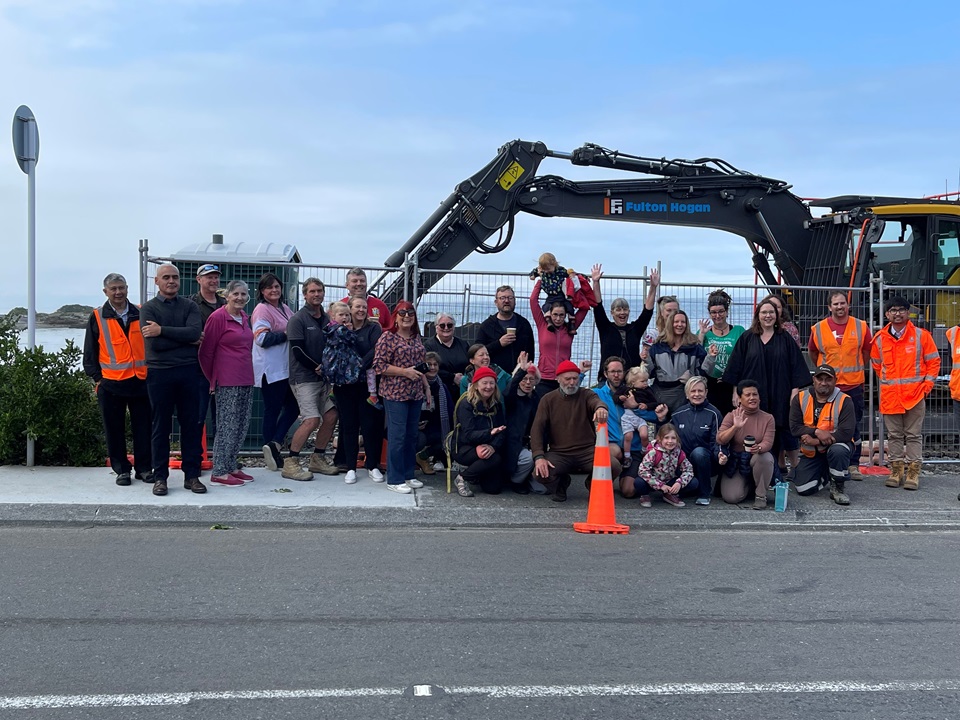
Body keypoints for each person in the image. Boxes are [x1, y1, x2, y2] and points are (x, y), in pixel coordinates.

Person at [139, 263, 206, 496]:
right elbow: (155, 345)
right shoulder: (148, 309)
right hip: (160, 373)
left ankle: (192, 476)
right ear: (156, 282)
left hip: (189, 372)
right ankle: (160, 478)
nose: (171, 281)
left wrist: (163, 330)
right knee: (160, 427)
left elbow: (194, 333)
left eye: (175, 277)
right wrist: (184, 338)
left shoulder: (190, 306)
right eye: (166, 277)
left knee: (191, 425)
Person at [722, 298, 811, 471]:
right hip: (753, 394)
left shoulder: (785, 338)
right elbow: (736, 366)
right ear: (758, 315)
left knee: (778, 427)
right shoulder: (747, 338)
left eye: (771, 312)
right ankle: (749, 468)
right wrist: (735, 392)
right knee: (754, 427)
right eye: (764, 312)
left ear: (777, 315)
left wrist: (794, 392)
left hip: (780, 392)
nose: (768, 316)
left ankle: (776, 469)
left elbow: (796, 367)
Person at [82, 272, 152, 486]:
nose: (118, 292)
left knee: (144, 428)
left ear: (127, 288)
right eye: (113, 289)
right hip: (111, 383)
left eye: (121, 287)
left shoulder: (140, 312)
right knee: (114, 429)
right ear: (106, 292)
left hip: (140, 381)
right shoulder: (97, 316)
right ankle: (121, 470)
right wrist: (97, 378)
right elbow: (90, 352)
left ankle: (144, 469)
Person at [871, 295, 940, 490]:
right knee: (894, 435)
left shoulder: (921, 336)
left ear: (908, 312)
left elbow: (933, 362)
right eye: (893, 310)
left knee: (913, 435)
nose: (897, 313)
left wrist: (926, 386)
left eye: (901, 310)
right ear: (887, 314)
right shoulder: (880, 340)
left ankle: (913, 472)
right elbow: (877, 365)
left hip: (915, 395)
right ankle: (896, 470)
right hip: (891, 396)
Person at [530, 360, 616, 502]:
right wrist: (539, 457)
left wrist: (601, 408)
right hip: (560, 452)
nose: (572, 382)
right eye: (567, 379)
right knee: (540, 472)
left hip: (587, 451)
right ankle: (560, 485)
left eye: (575, 378)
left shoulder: (587, 394)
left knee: (613, 466)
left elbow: (597, 402)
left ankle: (593, 485)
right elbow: (537, 429)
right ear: (558, 379)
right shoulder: (547, 400)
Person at [808, 290, 871, 481]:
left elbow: (867, 351)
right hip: (828, 388)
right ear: (829, 307)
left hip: (853, 386)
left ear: (848, 305)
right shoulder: (818, 328)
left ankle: (853, 465)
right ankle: (828, 462)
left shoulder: (860, 326)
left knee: (853, 427)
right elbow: (813, 353)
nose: (840, 307)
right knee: (825, 424)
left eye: (843, 303)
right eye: (835, 304)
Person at [198, 280, 255, 487]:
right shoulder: (218, 318)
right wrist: (213, 378)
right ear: (227, 295)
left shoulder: (244, 318)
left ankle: (231, 464)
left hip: (246, 377)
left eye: (243, 294)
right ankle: (219, 471)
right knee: (227, 425)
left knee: (241, 424)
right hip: (227, 380)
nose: (240, 298)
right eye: (236, 294)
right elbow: (206, 352)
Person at [284, 278, 340, 481]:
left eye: (320, 291)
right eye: (312, 291)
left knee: (332, 415)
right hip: (304, 378)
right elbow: (297, 350)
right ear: (305, 294)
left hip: (323, 379)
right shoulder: (297, 320)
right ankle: (291, 462)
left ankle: (317, 458)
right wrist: (316, 367)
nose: (317, 294)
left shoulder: (326, 319)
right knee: (311, 420)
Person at [373, 301, 430, 494]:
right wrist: (404, 372)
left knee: (411, 435)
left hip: (415, 393)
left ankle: (408, 474)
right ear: (395, 316)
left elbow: (421, 365)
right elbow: (379, 366)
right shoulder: (387, 337)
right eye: (403, 313)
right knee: (397, 436)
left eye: (411, 313)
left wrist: (426, 386)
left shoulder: (416, 338)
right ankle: (395, 478)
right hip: (395, 393)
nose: (407, 316)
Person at [333, 295, 385, 484]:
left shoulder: (373, 328)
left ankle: (373, 465)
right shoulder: (340, 328)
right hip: (345, 386)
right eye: (357, 307)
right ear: (350, 309)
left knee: (370, 425)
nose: (361, 310)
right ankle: (351, 467)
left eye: (364, 307)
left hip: (367, 385)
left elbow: (376, 350)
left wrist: (357, 366)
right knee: (349, 426)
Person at [252, 272, 300, 474]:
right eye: (269, 287)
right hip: (271, 369)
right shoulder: (262, 310)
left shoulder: (284, 308)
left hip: (285, 368)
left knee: (294, 407)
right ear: (262, 291)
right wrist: (285, 335)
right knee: (273, 410)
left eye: (277, 286)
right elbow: (261, 339)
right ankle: (271, 450)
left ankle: (274, 445)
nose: (274, 290)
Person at [788, 364, 855, 505]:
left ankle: (838, 487)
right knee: (803, 489)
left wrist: (816, 441)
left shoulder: (845, 400)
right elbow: (794, 428)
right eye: (820, 379)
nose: (823, 383)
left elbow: (846, 433)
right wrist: (816, 432)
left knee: (838, 450)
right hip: (812, 453)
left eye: (828, 379)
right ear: (814, 380)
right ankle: (827, 473)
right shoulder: (800, 398)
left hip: (836, 447)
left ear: (835, 381)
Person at [590, 264, 659, 383]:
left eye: (625, 309)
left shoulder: (635, 329)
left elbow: (647, 311)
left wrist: (653, 287)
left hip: (632, 379)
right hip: (608, 379)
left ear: (629, 311)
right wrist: (596, 283)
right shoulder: (606, 328)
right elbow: (598, 306)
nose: (622, 312)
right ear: (612, 312)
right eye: (618, 310)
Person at [716, 380, 776, 508]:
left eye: (755, 394)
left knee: (765, 457)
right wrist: (735, 427)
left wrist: (759, 448)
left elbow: (768, 442)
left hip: (756, 458)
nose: (752, 398)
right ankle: (748, 485)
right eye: (747, 395)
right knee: (731, 497)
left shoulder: (768, 418)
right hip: (737, 461)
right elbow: (720, 439)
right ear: (739, 398)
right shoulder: (731, 416)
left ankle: (760, 495)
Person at [450, 366, 508, 496]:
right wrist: (490, 432)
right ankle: (463, 478)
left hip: (488, 446)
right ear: (476, 385)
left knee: (494, 489)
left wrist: (493, 446)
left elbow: (502, 429)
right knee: (494, 458)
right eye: (484, 383)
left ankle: (477, 474)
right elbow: (468, 434)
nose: (488, 386)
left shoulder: (496, 404)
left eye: (491, 383)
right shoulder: (466, 404)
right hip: (464, 446)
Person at [645, 309, 716, 413]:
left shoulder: (694, 347)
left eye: (683, 322)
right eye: (676, 321)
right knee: (663, 428)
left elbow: (704, 372)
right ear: (670, 324)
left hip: (684, 396)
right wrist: (645, 358)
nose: (680, 325)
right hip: (660, 395)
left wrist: (711, 357)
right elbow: (649, 373)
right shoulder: (657, 347)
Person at [530, 278, 588, 396]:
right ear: (549, 314)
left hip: (564, 378)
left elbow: (584, 307)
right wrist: (543, 280)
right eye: (555, 315)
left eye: (561, 315)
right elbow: (533, 301)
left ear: (566, 315)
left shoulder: (570, 328)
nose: (558, 318)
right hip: (544, 378)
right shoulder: (543, 325)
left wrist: (575, 284)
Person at [671, 376, 723, 506]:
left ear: (706, 392)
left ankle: (704, 493)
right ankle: (690, 487)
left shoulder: (714, 413)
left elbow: (718, 441)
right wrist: (660, 420)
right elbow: (667, 437)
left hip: (706, 460)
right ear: (687, 394)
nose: (697, 394)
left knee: (699, 453)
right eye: (693, 391)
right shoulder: (677, 414)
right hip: (683, 462)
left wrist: (720, 454)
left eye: (700, 391)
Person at [191, 263, 226, 445]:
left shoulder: (225, 304)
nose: (213, 280)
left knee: (222, 416)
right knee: (198, 416)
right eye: (209, 277)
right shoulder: (190, 304)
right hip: (199, 370)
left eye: (215, 277)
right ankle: (195, 458)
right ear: (199, 280)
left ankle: (223, 457)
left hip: (223, 369)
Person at [697, 289, 744, 416]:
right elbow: (696, 355)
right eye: (713, 312)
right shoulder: (704, 332)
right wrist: (701, 334)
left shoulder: (738, 331)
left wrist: (737, 389)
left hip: (731, 383)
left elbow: (743, 360)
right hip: (709, 384)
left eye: (721, 311)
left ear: (727, 312)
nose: (717, 316)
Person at [501, 352, 542, 494]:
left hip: (531, 442)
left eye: (532, 379)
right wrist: (521, 371)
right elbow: (508, 393)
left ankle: (528, 478)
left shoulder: (536, 398)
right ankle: (516, 481)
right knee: (528, 459)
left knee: (542, 490)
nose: (528, 383)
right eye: (524, 379)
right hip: (513, 442)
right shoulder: (512, 397)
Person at [476, 285, 536, 372]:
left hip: (519, 375)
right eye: (502, 298)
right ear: (496, 302)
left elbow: (531, 352)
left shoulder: (523, 324)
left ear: (515, 301)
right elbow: (477, 352)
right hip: (494, 376)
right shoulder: (487, 325)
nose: (507, 301)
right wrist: (499, 343)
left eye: (510, 298)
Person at [634, 424, 695, 508]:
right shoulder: (653, 452)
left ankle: (670, 494)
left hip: (669, 481)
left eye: (673, 438)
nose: (670, 441)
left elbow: (689, 470)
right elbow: (643, 471)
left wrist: (679, 483)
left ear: (677, 440)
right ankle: (645, 496)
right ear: (660, 439)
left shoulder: (679, 453)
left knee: (694, 483)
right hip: (653, 482)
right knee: (638, 482)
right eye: (666, 438)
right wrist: (660, 485)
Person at [416, 352, 453, 477]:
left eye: (435, 364)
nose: (432, 367)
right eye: (429, 364)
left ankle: (422, 457)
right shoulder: (415, 384)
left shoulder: (442, 388)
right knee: (419, 439)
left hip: (434, 428)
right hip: (415, 428)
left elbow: (450, 411)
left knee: (447, 439)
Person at [423, 312, 470, 401]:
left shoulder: (464, 344)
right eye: (442, 326)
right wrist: (452, 377)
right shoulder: (428, 346)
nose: (446, 328)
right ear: (436, 327)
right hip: (438, 391)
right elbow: (428, 368)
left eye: (449, 325)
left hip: (463, 389)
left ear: (454, 327)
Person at [619, 365, 661, 460]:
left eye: (646, 381)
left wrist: (646, 406)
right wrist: (620, 398)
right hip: (628, 417)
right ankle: (627, 455)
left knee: (644, 435)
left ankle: (644, 450)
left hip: (640, 418)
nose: (646, 383)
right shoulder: (626, 389)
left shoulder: (648, 391)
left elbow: (654, 403)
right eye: (642, 381)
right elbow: (616, 396)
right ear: (633, 382)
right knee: (628, 436)